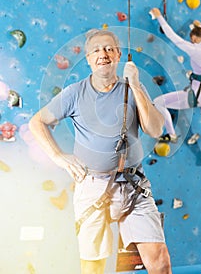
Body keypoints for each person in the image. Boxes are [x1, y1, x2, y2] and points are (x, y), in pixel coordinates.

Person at [29, 28, 172, 274]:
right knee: (92, 267)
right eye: (96, 50)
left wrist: (136, 86)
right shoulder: (74, 92)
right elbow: (37, 122)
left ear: (118, 55)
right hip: (92, 187)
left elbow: (155, 129)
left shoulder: (133, 88)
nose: (102, 54)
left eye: (108, 48)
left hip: (133, 186)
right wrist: (58, 157)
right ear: (88, 59)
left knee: (159, 261)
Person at [149, 7, 201, 167]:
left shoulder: (195, 50)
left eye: (192, 38)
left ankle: (171, 134)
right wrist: (199, 26)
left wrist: (160, 17)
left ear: (194, 38)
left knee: (159, 102)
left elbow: (173, 37)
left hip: (198, 94)